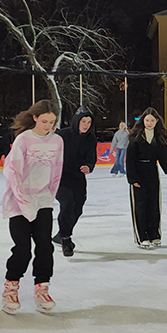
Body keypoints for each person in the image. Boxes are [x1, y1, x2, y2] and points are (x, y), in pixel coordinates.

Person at [1, 100, 64, 315]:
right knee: (22, 249)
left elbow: (57, 170)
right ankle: (11, 287)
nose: (48, 125)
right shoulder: (23, 140)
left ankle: (42, 288)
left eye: (52, 122)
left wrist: (49, 197)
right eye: (44, 121)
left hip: (43, 200)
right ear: (35, 117)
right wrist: (23, 201)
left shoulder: (57, 141)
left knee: (45, 246)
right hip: (19, 201)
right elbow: (12, 173)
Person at [126, 108, 167, 249]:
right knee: (140, 206)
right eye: (147, 120)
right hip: (138, 175)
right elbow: (130, 160)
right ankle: (142, 237)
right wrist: (133, 178)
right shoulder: (135, 138)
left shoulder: (158, 138)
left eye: (152, 120)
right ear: (143, 121)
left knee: (153, 204)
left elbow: (165, 157)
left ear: (157, 121)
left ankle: (154, 234)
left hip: (152, 174)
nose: (149, 123)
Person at [53, 106, 97, 258]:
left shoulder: (91, 138)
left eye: (89, 121)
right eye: (83, 121)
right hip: (60, 177)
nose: (86, 124)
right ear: (76, 121)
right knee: (67, 203)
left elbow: (91, 158)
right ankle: (66, 239)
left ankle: (62, 234)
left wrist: (89, 166)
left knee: (78, 208)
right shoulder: (62, 135)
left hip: (78, 178)